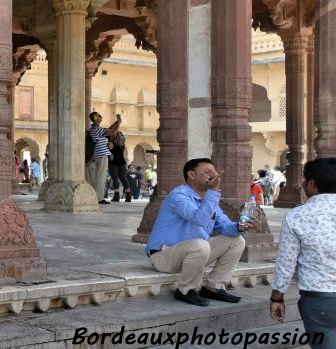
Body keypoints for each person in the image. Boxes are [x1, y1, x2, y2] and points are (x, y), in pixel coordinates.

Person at [145, 158, 249, 306]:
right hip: (164, 256)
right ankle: (186, 290)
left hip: (193, 254)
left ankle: (214, 287)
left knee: (237, 240)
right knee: (201, 245)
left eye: (214, 172)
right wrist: (213, 191)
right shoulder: (179, 196)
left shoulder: (207, 199)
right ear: (191, 175)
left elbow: (225, 225)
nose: (213, 175)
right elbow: (199, 219)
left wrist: (240, 226)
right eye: (207, 172)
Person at [270, 158, 336, 349]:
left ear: (312, 184)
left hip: (320, 302)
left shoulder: (297, 216)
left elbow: (286, 262)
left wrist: (277, 297)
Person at [86, 111, 121, 205]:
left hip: (100, 155)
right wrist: (119, 124)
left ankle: (97, 197)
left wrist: (116, 123)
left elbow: (108, 129)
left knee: (99, 177)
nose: (101, 117)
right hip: (101, 155)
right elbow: (113, 133)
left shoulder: (95, 129)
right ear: (95, 118)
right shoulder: (97, 130)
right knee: (100, 178)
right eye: (99, 116)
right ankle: (99, 198)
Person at [108, 130, 129, 202]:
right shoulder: (122, 144)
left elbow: (107, 150)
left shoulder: (111, 143)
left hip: (113, 163)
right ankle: (128, 196)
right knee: (123, 178)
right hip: (122, 163)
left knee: (115, 179)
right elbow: (123, 138)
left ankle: (116, 196)